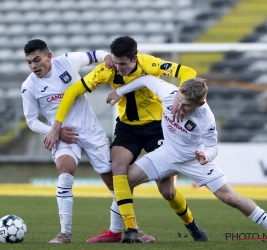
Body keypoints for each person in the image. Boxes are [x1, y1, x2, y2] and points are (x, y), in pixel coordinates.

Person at [44, 36, 208, 242]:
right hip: (128, 128)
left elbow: (188, 72)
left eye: (123, 64)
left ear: (135, 59)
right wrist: (56, 125)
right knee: (117, 166)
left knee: (167, 190)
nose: (118, 68)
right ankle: (131, 230)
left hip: (158, 127)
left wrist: (179, 96)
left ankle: (191, 225)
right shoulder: (107, 69)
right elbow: (72, 92)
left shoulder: (149, 64)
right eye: (115, 61)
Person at [106, 76, 267, 243]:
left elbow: (213, 146)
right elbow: (147, 79)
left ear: (200, 104)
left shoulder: (206, 119)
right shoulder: (169, 93)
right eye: (179, 101)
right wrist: (119, 91)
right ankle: (120, 232)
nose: (179, 107)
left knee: (230, 198)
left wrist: (206, 156)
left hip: (193, 161)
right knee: (121, 183)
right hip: (165, 155)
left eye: (186, 106)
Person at [21, 39, 130, 244]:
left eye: (37, 60)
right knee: (65, 170)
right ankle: (65, 233)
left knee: (114, 182)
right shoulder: (29, 86)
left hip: (90, 129)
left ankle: (120, 230)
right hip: (62, 135)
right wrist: (55, 131)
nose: (33, 66)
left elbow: (93, 55)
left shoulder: (68, 61)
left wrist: (106, 57)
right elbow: (31, 121)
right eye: (29, 62)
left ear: (49, 56)